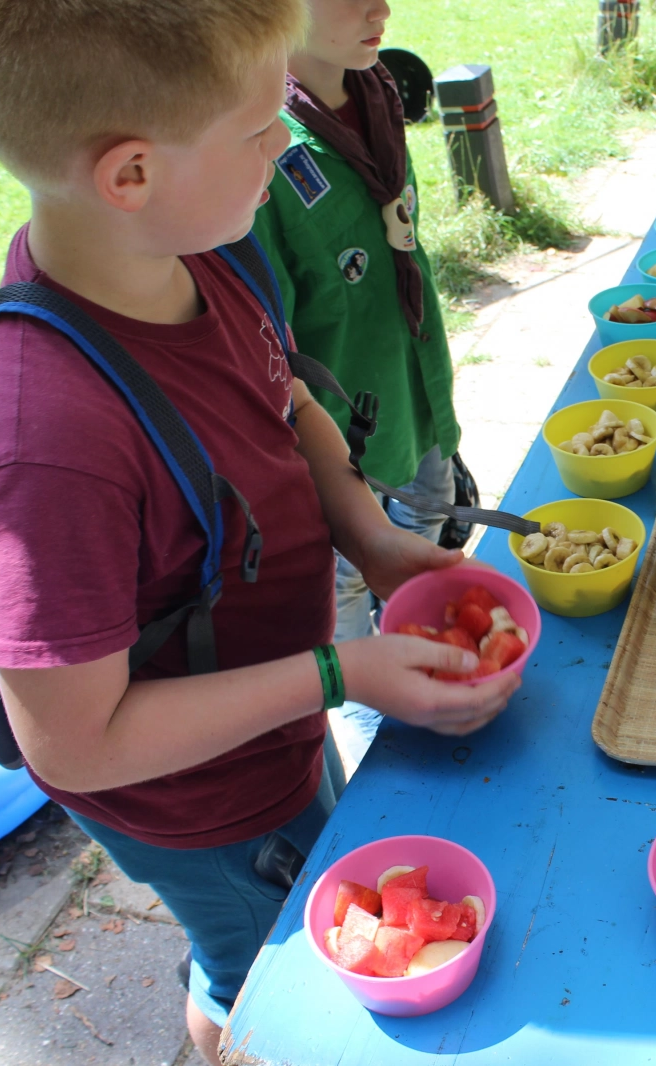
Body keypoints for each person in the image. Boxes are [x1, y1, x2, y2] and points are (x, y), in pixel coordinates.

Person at [0, 2, 519, 1061]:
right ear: (131, 173)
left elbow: (284, 395)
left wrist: (368, 536)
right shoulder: (43, 443)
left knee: (305, 877)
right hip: (198, 800)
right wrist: (339, 672)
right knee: (260, 968)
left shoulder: (200, 246)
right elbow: (71, 740)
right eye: (258, 129)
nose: (284, 145)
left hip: (276, 714)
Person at [250, 0, 465, 770]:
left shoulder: (376, 94)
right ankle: (374, 740)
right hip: (338, 452)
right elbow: (269, 350)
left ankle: (428, 667)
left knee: (427, 548)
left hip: (416, 403)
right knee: (343, 595)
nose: (380, 8)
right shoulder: (261, 152)